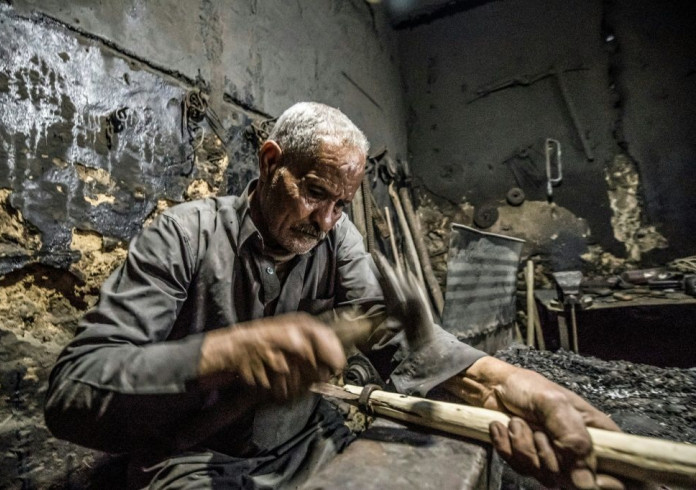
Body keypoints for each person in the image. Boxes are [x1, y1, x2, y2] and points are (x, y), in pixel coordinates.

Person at [45, 102, 621, 489]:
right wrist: (226, 354)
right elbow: (73, 390)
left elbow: (405, 338)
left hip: (309, 443)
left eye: (342, 204)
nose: (326, 221)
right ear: (271, 161)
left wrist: (514, 388)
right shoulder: (182, 237)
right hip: (196, 459)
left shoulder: (337, 240)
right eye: (315, 193)